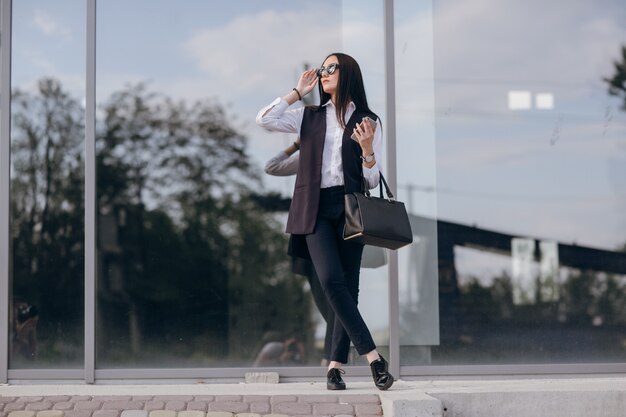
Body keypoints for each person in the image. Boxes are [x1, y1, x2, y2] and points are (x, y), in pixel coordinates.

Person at [256, 52, 393, 390]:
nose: (325, 73)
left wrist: (368, 149)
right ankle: (374, 357)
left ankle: (334, 366)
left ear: (348, 74)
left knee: (350, 289)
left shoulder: (367, 119)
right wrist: (297, 91)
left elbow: (372, 181)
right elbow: (264, 119)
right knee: (332, 280)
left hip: (350, 209)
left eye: (331, 68)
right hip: (315, 209)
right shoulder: (309, 115)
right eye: (323, 69)